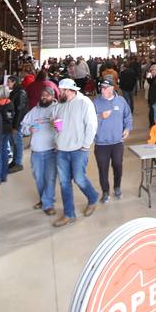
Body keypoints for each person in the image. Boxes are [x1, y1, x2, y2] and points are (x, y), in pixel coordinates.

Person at [52, 79, 100, 227]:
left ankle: (92, 197)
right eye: (60, 90)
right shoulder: (60, 104)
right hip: (62, 149)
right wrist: (55, 127)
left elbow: (92, 125)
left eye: (63, 90)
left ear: (71, 90)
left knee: (79, 178)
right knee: (64, 183)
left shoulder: (84, 102)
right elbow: (54, 121)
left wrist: (86, 145)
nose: (61, 93)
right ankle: (69, 214)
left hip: (79, 149)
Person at [92, 77, 132, 203]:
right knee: (103, 169)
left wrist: (127, 128)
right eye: (101, 88)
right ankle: (105, 192)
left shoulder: (120, 101)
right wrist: (100, 116)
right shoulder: (95, 102)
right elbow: (89, 121)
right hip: (101, 143)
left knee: (118, 166)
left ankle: (117, 187)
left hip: (117, 142)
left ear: (112, 88)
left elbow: (128, 116)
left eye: (105, 88)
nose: (102, 90)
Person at [22, 87, 58, 215]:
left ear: (52, 96)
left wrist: (57, 126)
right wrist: (29, 130)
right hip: (36, 150)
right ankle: (44, 200)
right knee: (39, 177)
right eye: (42, 95)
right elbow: (23, 126)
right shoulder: (34, 111)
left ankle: (48, 204)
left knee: (50, 178)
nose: (44, 97)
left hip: (51, 150)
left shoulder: (57, 109)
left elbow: (63, 126)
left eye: (47, 95)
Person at [6, 75, 28, 173]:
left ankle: (18, 162)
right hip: (15, 121)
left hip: (18, 121)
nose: (7, 84)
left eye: (9, 82)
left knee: (17, 141)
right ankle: (15, 161)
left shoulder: (20, 93)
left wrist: (15, 125)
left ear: (14, 81)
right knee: (15, 142)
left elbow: (19, 110)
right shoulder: (16, 92)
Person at [0, 85, 14, 185]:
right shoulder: (10, 103)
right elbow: (10, 118)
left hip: (0, 131)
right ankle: (4, 175)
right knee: (4, 152)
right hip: (7, 130)